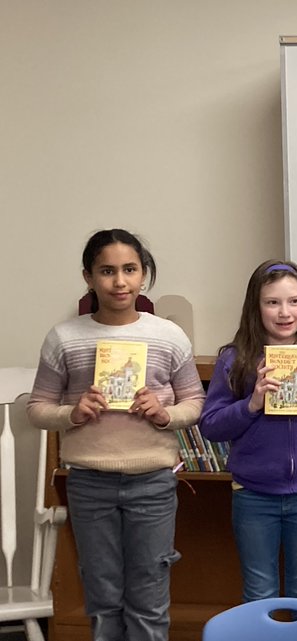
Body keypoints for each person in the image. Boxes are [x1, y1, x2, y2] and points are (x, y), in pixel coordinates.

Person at [27, 229, 205, 641]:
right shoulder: (65, 338)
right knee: (103, 599)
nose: (119, 281)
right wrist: (74, 412)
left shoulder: (167, 336)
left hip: (153, 483)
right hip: (90, 483)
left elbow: (195, 402)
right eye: (107, 271)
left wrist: (164, 415)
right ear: (88, 276)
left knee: (149, 598)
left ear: (144, 275)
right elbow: (37, 409)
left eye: (130, 270)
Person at [199, 260, 297, 602]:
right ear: (256, 307)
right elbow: (211, 425)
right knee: (259, 591)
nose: (284, 312)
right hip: (252, 495)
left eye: (294, 301)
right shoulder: (236, 359)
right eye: (272, 302)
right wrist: (252, 403)